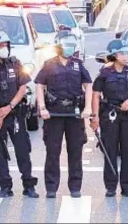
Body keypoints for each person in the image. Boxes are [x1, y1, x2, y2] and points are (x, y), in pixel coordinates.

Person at [0, 31, 39, 198]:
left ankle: (28, 185)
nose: (3, 48)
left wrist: (9, 108)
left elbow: (22, 87)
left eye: (5, 45)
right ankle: (5, 186)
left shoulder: (15, 64)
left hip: (16, 114)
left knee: (22, 150)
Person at [35, 30, 92, 198]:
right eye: (66, 45)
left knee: (76, 151)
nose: (69, 49)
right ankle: (51, 188)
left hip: (74, 115)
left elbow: (88, 84)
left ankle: (75, 187)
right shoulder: (49, 64)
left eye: (72, 46)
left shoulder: (77, 64)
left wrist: (87, 108)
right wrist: (42, 107)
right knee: (53, 152)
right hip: (54, 114)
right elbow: (39, 85)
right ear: (58, 46)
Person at [90, 39, 128, 198]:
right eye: (122, 53)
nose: (125, 56)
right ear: (114, 55)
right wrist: (95, 118)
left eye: (126, 53)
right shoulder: (104, 73)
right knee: (110, 151)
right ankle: (111, 187)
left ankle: (127, 187)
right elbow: (95, 95)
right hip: (110, 116)